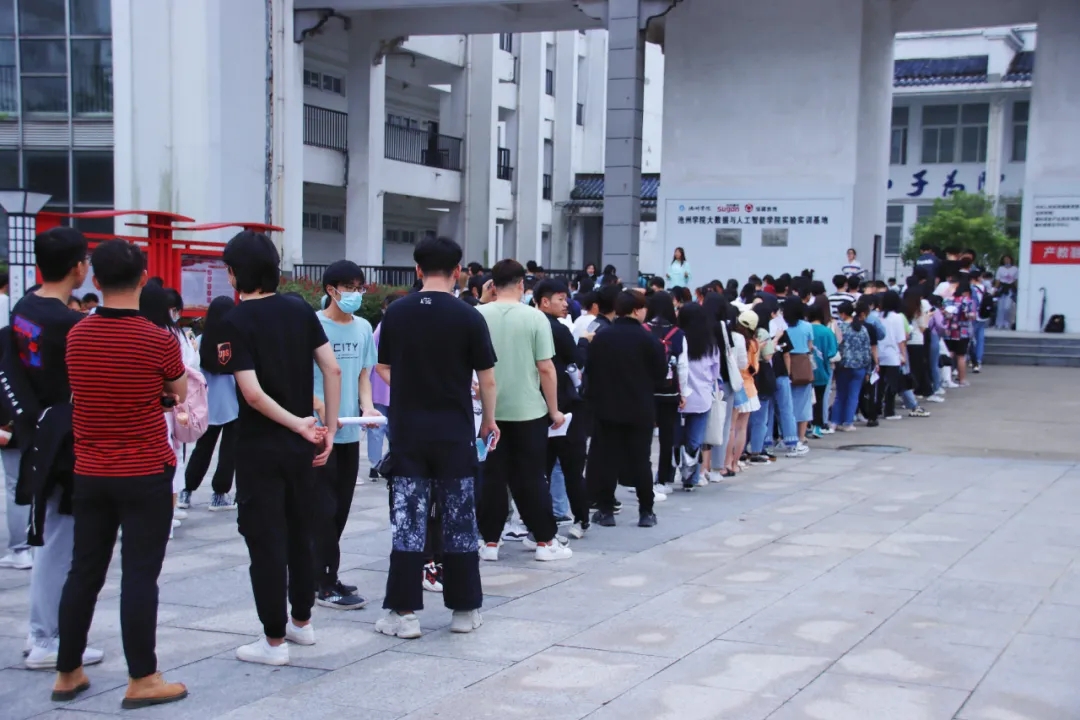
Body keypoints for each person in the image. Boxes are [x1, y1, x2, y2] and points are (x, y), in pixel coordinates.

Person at [55, 239, 190, 708]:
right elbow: (177, 389)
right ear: (143, 279)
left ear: (94, 280)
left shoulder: (77, 335)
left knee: (84, 571)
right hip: (145, 469)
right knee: (139, 575)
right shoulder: (157, 339)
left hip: (90, 470)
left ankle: (67, 671)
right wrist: (159, 393)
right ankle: (142, 677)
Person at [217, 231, 342, 666]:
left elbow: (252, 395)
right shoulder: (298, 308)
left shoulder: (234, 321)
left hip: (260, 449)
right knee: (300, 533)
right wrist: (326, 428)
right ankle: (302, 622)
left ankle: (273, 641)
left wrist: (297, 424)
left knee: (265, 541)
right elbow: (332, 369)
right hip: (302, 448)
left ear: (234, 273)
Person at [374, 236, 497, 639]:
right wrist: (488, 420)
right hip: (455, 431)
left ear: (418, 270)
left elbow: (383, 367)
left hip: (409, 432)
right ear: (458, 271)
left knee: (408, 521)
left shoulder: (397, 313)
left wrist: (411, 387)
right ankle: (464, 610)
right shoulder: (469, 316)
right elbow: (487, 378)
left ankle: (404, 613)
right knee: (460, 519)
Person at [1, 228, 105, 673]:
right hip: (65, 441)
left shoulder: (25, 307)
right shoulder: (70, 325)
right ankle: (46, 637)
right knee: (61, 543)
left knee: (51, 538)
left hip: (39, 435)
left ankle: (42, 632)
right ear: (79, 267)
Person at [476, 260, 571, 561]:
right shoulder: (535, 317)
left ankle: (490, 542)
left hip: (489, 412)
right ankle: (544, 541)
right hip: (528, 411)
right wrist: (554, 410)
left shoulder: (478, 315)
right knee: (531, 477)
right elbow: (546, 368)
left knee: (492, 477)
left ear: (492, 285)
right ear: (521, 285)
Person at [310, 261, 381, 610]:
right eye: (349, 287)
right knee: (322, 509)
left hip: (349, 431)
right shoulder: (312, 325)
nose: (355, 293)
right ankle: (324, 582)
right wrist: (321, 407)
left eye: (359, 287)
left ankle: (320, 574)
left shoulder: (364, 328)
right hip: (318, 432)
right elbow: (298, 375)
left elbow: (363, 376)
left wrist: (367, 408)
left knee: (340, 508)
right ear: (331, 290)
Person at [585, 291, 666, 526]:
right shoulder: (649, 340)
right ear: (637, 310)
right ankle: (646, 512)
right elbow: (661, 375)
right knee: (641, 460)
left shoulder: (602, 337)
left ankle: (606, 510)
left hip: (607, 408)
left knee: (608, 459)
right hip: (640, 408)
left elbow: (591, 371)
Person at [533, 279, 591, 539]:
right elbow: (576, 360)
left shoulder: (529, 325)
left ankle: (540, 525)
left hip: (535, 407)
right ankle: (581, 519)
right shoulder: (558, 329)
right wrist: (584, 343)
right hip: (565, 407)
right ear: (545, 301)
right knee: (572, 468)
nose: (566, 303)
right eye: (560, 298)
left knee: (540, 470)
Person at [181, 296, 240, 511]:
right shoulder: (235, 341)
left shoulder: (201, 339)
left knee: (202, 449)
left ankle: (186, 491)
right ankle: (219, 495)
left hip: (206, 405)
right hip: (233, 404)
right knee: (228, 452)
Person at [645, 292, 688, 492]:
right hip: (669, 392)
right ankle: (662, 479)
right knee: (667, 437)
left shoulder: (644, 330)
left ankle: (640, 476)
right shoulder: (678, 334)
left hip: (646, 391)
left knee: (644, 436)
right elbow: (683, 367)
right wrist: (683, 393)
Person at [367, 291, 405, 479]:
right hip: (381, 384)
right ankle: (376, 464)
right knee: (378, 428)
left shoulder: (401, 326)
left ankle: (390, 460)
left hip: (393, 384)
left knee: (393, 427)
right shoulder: (383, 328)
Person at [724, 311, 760, 476]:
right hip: (749, 388)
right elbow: (754, 368)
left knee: (730, 427)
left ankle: (726, 462)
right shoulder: (753, 344)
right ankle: (735, 463)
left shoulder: (731, 338)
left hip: (734, 385)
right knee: (741, 428)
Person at [831, 302, 873, 431]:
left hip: (843, 365)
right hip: (859, 366)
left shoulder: (840, 328)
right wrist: (868, 370)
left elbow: (836, 346)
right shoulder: (862, 329)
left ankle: (834, 421)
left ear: (843, 314)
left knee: (840, 395)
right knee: (853, 396)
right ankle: (848, 423)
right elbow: (867, 350)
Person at [782, 298, 814, 453]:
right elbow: (810, 346)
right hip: (802, 363)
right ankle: (801, 437)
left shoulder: (782, 326)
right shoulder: (807, 326)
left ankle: (786, 436)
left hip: (785, 363)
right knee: (804, 402)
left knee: (786, 403)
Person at [808, 300, 838, 437]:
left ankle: (805, 425)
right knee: (819, 399)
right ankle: (817, 427)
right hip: (823, 371)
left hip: (804, 371)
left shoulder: (806, 329)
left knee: (805, 399)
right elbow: (833, 353)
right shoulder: (827, 332)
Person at [943, 279, 976, 387]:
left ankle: (946, 379)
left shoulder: (947, 301)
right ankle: (962, 379)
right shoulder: (968, 301)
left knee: (949, 354)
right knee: (961, 356)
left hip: (949, 332)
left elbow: (944, 314)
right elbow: (972, 316)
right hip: (963, 331)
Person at [994, 255, 1018, 329]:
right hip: (1002, 288)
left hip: (1010, 288)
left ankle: (1006, 322)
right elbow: (998, 280)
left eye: (1008, 259)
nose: (1006, 261)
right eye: (1005, 259)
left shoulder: (1015, 269)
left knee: (1007, 307)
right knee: (1000, 307)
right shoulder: (1000, 269)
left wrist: (1017, 289)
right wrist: (995, 289)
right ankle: (999, 323)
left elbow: (1016, 280)